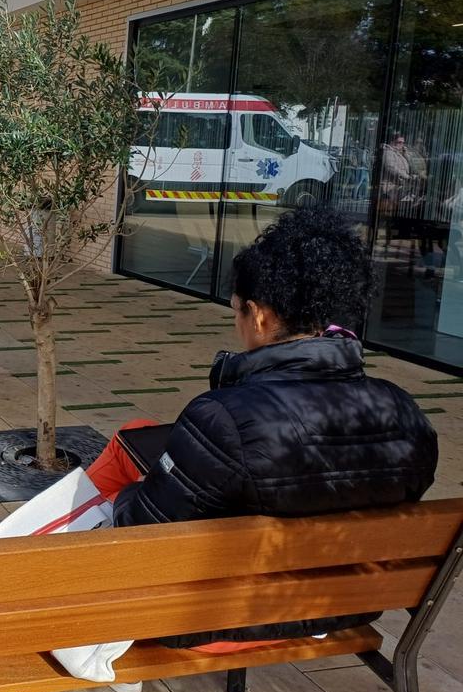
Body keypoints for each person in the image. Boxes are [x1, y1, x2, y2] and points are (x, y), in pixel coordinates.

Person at [82, 207, 437, 651]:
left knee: (126, 494)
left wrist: (132, 492)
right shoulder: (406, 413)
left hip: (219, 619)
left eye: (237, 311)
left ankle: (33, 540)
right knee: (142, 437)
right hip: (339, 606)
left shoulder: (223, 418)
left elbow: (138, 532)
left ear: (261, 316)